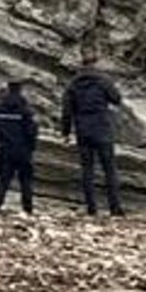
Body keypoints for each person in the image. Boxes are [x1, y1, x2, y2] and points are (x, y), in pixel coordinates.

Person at [61, 50, 124, 216]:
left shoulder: (73, 84)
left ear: (82, 64)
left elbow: (67, 111)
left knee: (87, 171)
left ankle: (92, 208)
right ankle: (115, 208)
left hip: (83, 130)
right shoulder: (103, 80)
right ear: (96, 63)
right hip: (102, 128)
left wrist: (66, 133)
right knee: (109, 169)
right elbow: (116, 98)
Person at [0, 80, 39, 213]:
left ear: (8, 89)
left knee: (3, 180)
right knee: (25, 181)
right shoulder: (26, 111)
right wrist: (32, 148)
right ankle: (28, 209)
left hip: (5, 150)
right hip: (23, 150)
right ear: (20, 90)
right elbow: (31, 132)